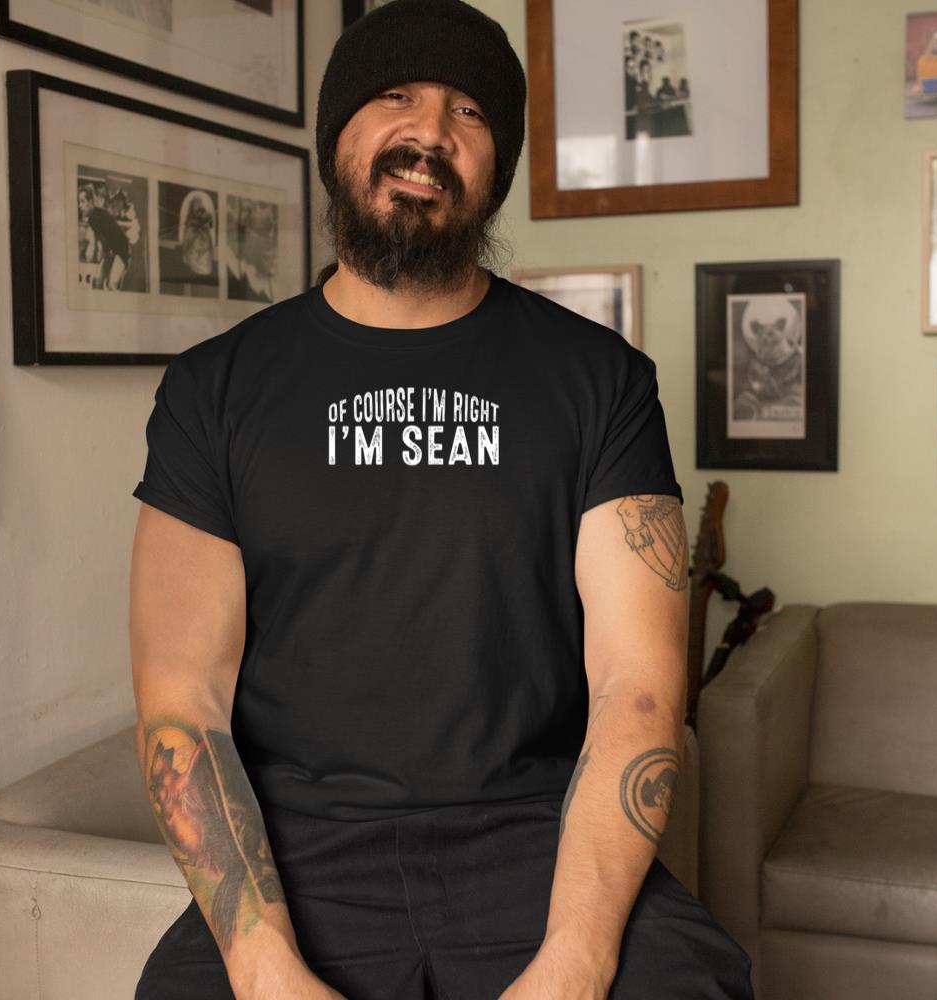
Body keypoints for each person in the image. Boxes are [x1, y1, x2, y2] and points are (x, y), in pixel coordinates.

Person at [129, 2, 755, 999]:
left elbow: (637, 686)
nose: (429, 132)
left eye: (468, 111)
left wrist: (576, 959)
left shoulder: (602, 382)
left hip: (539, 838)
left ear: (496, 168)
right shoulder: (214, 390)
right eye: (395, 97)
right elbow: (182, 700)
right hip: (299, 852)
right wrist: (262, 965)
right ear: (336, 137)